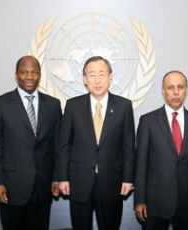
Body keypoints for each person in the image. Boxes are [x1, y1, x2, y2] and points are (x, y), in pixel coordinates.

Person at [55, 56, 135, 230]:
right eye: (92, 75)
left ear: (110, 77)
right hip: (79, 181)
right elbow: (64, 145)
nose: (97, 80)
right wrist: (62, 177)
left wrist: (128, 178)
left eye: (102, 74)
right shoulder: (73, 106)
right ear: (85, 79)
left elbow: (128, 146)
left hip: (112, 181)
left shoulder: (124, 106)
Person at [0, 55, 62, 230]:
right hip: (11, 187)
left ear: (39, 75)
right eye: (24, 72)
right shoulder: (0, 104)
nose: (29, 77)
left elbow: (58, 146)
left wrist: (57, 178)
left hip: (43, 187)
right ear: (16, 75)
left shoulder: (53, 105)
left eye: (34, 72)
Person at [134, 70, 188, 230]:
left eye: (180, 87)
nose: (176, 92)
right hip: (155, 202)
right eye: (170, 87)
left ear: (186, 90)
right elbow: (140, 164)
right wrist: (139, 200)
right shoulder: (147, 121)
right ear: (163, 91)